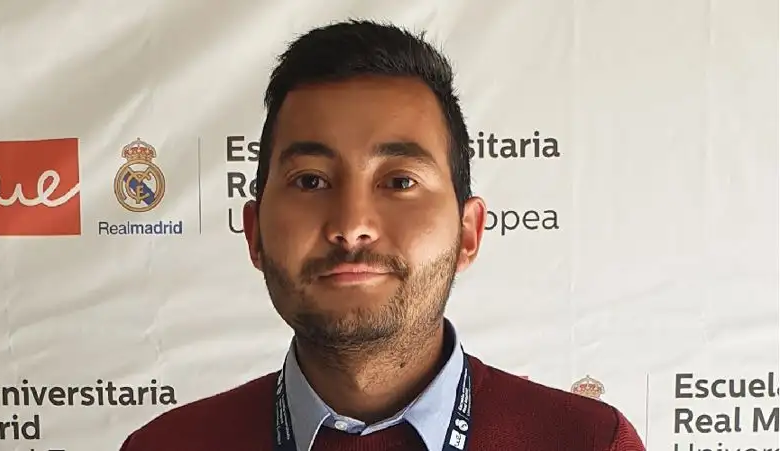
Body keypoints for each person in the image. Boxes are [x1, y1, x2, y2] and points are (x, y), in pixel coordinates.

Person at [119, 19, 646, 451]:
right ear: (254, 233)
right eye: (311, 181)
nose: (352, 226)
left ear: (468, 233)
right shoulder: (167, 446)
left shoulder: (590, 443)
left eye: (399, 182)